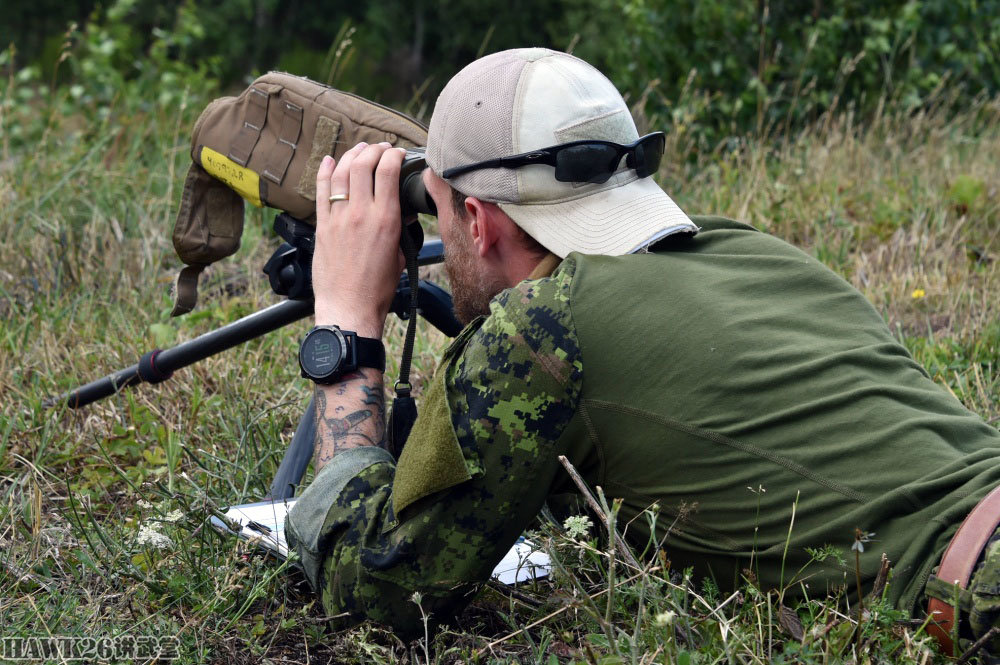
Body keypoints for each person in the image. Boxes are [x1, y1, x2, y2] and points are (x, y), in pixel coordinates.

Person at [285, 48, 1000, 651]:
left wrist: (346, 323)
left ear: (476, 220)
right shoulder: (750, 250)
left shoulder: (545, 327)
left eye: (438, 207)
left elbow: (373, 592)